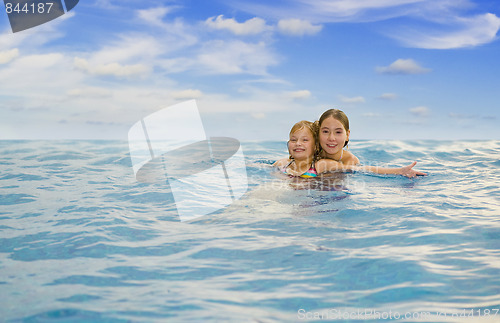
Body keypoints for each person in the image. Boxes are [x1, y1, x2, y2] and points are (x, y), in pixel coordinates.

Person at [274, 118, 426, 178]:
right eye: (293, 140)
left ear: (316, 146)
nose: (298, 143)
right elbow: (258, 167)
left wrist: (399, 171)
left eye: (305, 140)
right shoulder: (282, 164)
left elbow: (362, 169)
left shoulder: (321, 165)